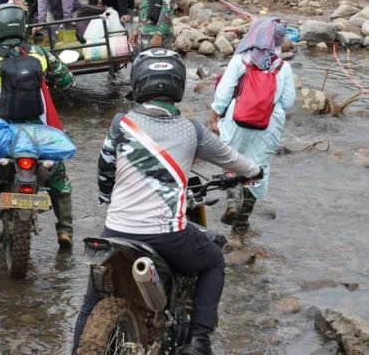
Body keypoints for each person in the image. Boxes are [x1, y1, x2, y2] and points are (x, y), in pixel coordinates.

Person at [72, 48, 262, 355]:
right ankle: (199, 341)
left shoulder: (121, 123)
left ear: (138, 82)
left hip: (116, 231)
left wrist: (106, 195)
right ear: (179, 84)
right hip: (167, 235)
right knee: (213, 261)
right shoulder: (192, 130)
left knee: (92, 300)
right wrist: (254, 171)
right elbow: (231, 158)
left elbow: (105, 166)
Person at [0, 4, 75, 249]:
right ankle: (65, 230)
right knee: (58, 176)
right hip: (34, 133)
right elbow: (67, 81)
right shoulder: (40, 53)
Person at [210, 18, 295, 233]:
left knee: (231, 160)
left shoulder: (240, 60)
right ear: (278, 41)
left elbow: (223, 93)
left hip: (236, 121)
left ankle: (232, 202)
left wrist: (215, 116)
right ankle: (242, 221)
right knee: (258, 168)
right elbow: (288, 102)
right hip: (268, 125)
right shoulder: (283, 67)